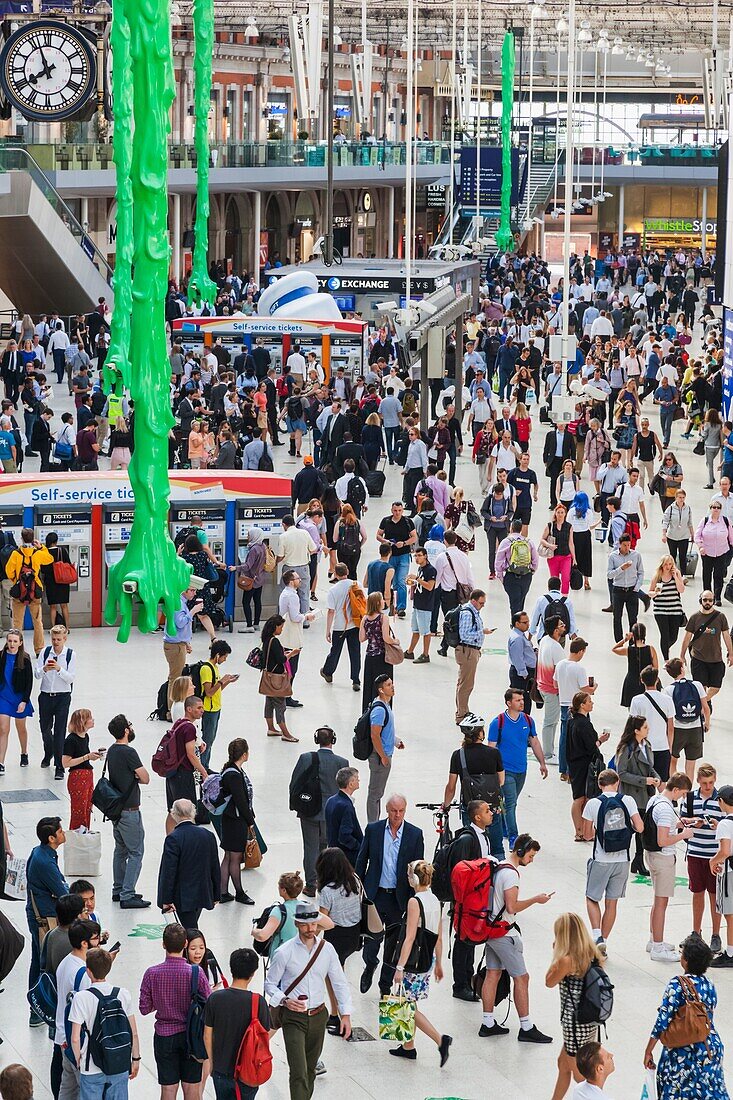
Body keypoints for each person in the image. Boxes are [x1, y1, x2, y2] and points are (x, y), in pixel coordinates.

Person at [264, 902, 351, 1099]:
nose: (311, 929)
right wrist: (284, 1000)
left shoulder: (327, 950)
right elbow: (269, 984)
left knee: (310, 1070)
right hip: (293, 1017)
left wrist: (345, 1014)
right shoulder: (284, 952)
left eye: (314, 924)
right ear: (297, 923)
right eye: (305, 924)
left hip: (319, 1016)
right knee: (298, 1072)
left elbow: (339, 982)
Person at [478, 834, 553, 1044]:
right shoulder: (511, 875)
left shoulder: (499, 866)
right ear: (520, 852)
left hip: (491, 929)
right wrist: (536, 900)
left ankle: (488, 1021)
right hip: (504, 933)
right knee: (522, 977)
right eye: (530, 856)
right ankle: (526, 1026)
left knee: (492, 974)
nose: (531, 860)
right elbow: (512, 907)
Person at [355, 793, 424, 995]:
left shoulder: (414, 834)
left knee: (393, 945)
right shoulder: (374, 830)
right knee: (371, 940)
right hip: (375, 896)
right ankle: (370, 965)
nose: (397, 815)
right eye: (394, 811)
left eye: (401, 811)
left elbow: (418, 868)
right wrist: (357, 889)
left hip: (399, 898)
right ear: (387, 810)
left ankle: (384, 985)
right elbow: (362, 859)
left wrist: (416, 898)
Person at [644, 934, 727, 1098]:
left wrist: (649, 1050)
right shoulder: (709, 984)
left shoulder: (677, 984)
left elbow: (662, 1021)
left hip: (684, 1052)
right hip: (709, 1047)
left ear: (686, 960)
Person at [389, 860, 451, 1066]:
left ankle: (440, 1040)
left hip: (412, 961)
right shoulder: (436, 900)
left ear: (415, 879)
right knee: (409, 1001)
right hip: (427, 959)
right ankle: (408, 1046)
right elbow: (439, 937)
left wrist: (399, 967)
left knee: (407, 1005)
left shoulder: (415, 902)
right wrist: (439, 963)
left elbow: (409, 937)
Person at [139, 923, 211, 1100]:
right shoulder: (197, 972)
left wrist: (162, 1000)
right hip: (191, 1037)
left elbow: (144, 1008)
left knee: (168, 1090)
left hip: (164, 1036)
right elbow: (209, 1005)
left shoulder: (151, 973)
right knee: (192, 1089)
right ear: (185, 944)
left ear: (163, 944)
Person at [582, 768, 644, 955]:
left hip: (601, 859)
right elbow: (640, 827)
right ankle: (604, 943)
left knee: (592, 898)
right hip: (622, 860)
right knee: (612, 903)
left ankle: (597, 935)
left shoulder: (593, 803)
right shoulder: (628, 800)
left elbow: (586, 835)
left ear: (600, 785)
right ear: (617, 783)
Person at [545, 913, 607, 1099]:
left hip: (574, 1025)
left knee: (583, 1077)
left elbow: (549, 981)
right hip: (589, 1020)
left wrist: (555, 956)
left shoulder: (566, 960)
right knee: (563, 1064)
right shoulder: (592, 953)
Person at [69, 946, 139, 1100]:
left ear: (88, 971)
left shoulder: (81, 998)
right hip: (119, 1063)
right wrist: (135, 1059)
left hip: (91, 1065)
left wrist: (78, 1059)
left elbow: (75, 1037)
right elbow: (133, 1032)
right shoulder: (123, 994)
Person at [203, 947, 271, 1100]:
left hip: (221, 1069)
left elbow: (207, 1035)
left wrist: (211, 1064)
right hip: (248, 1070)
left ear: (231, 968)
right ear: (253, 973)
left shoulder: (215, 999)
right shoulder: (258, 1002)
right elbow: (264, 1035)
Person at [289, 727, 348, 897]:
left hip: (309, 811)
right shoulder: (342, 763)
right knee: (326, 848)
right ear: (333, 740)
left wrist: (295, 805)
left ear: (317, 740)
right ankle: (324, 880)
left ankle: (310, 885)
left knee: (310, 847)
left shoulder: (306, 758)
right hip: (331, 814)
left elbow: (294, 784)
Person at [643, 773, 695, 962]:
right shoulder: (666, 809)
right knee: (661, 902)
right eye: (682, 794)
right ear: (675, 789)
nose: (682, 797)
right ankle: (658, 947)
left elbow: (662, 826)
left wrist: (681, 823)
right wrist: (684, 834)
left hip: (653, 856)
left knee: (657, 901)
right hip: (663, 858)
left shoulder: (656, 799)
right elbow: (663, 839)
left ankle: (653, 939)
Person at [487, 689, 548, 846]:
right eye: (518, 700)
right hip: (505, 771)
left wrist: (542, 763)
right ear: (508, 703)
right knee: (510, 803)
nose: (522, 702)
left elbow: (534, 741)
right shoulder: (498, 722)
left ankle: (503, 826)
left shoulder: (528, 720)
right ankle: (513, 836)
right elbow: (491, 748)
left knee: (510, 802)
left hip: (522, 769)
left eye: (522, 699)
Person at [25, 816, 68, 1024]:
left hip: (38, 914)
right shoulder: (45, 862)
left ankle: (36, 1008)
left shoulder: (40, 852)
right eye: (60, 831)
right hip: (44, 918)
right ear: (52, 837)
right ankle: (39, 1008)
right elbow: (62, 892)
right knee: (45, 964)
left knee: (38, 959)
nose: (63, 833)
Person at [315, 847, 363, 1029]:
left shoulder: (328, 890)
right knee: (338, 974)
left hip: (336, 936)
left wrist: (308, 938)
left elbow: (323, 919)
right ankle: (338, 1013)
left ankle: (336, 1014)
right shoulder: (355, 881)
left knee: (333, 977)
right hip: (353, 934)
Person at [106, 713, 151, 909]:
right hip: (130, 810)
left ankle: (118, 889)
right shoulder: (128, 752)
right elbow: (145, 777)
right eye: (130, 725)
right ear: (125, 730)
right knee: (136, 852)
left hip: (116, 809)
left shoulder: (112, 750)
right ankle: (127, 893)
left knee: (120, 850)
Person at [53, 917, 100, 1097]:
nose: (99, 942)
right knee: (86, 1090)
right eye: (95, 938)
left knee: (67, 1087)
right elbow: (87, 1011)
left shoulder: (66, 962)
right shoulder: (84, 972)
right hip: (77, 1041)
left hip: (62, 1035)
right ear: (84, 943)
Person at [157, 798, 220, 930]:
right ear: (193, 812)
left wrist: (166, 899)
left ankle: (193, 949)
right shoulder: (208, 835)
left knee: (190, 930)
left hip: (183, 895)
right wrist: (216, 893)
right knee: (191, 925)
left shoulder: (173, 838)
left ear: (174, 814)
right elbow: (214, 866)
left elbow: (169, 871)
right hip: (203, 890)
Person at [683, 763, 723, 953]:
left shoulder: (722, 799)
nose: (709, 786)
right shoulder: (690, 799)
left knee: (715, 895)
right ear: (698, 781)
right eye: (705, 783)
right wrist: (693, 824)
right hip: (695, 853)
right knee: (697, 892)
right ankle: (696, 932)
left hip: (715, 856)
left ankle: (716, 934)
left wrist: (718, 827)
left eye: (712, 782)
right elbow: (682, 823)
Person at [566, 692, 610, 843]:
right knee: (581, 798)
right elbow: (591, 747)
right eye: (589, 701)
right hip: (584, 764)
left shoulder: (571, 721)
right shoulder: (584, 724)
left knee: (579, 797)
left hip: (574, 764)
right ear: (582, 705)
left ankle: (580, 831)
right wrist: (600, 740)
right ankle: (581, 831)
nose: (592, 703)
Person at [34, 624, 76, 780]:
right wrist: (44, 668)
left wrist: (59, 669)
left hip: (62, 697)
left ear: (64, 639)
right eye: (53, 639)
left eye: (59, 639)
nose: (56, 642)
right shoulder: (45, 652)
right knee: (45, 728)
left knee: (59, 732)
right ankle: (48, 751)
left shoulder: (70, 654)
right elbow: (37, 674)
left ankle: (59, 766)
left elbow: (71, 678)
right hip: (45, 695)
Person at [219, 738, 257, 905]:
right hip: (236, 820)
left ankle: (223, 892)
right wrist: (250, 821)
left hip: (228, 819)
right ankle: (239, 892)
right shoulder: (235, 775)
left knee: (228, 856)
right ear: (244, 754)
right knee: (235, 857)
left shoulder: (229, 770)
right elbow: (241, 801)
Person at [6, 528, 53, 656]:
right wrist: (41, 547)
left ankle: (15, 649)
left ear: (21, 538)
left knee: (17, 623)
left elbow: (8, 571)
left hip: (19, 594)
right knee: (38, 622)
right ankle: (38, 650)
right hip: (35, 592)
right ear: (32, 539)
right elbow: (50, 559)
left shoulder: (16, 554)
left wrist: (17, 581)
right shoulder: (37, 554)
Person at [679, 592, 733, 705]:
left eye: (710, 600)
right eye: (705, 600)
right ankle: (705, 709)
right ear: (700, 601)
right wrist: (682, 656)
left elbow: (726, 636)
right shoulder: (694, 618)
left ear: (713, 601)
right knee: (700, 688)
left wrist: (731, 653)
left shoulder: (720, 617)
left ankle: (704, 702)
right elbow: (687, 638)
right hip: (698, 658)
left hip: (716, 659)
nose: (707, 602)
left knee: (716, 687)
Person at [663, 656, 710, 779]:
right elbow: (706, 707)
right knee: (691, 764)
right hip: (695, 729)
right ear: (682, 669)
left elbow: (669, 715)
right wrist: (707, 724)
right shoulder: (697, 685)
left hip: (678, 729)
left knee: (673, 760)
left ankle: (674, 787)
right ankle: (687, 792)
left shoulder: (669, 690)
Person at [555, 638, 595, 782]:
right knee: (578, 741)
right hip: (578, 706)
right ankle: (572, 772)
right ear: (579, 651)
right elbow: (585, 689)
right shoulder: (579, 668)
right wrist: (594, 687)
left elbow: (555, 683)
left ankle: (563, 771)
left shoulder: (560, 665)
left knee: (564, 739)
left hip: (564, 704)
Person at [320, 562, 362, 691]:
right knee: (355, 652)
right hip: (355, 624)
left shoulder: (333, 590)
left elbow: (331, 611)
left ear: (336, 575)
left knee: (335, 651)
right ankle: (355, 680)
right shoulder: (357, 585)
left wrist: (327, 630)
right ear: (347, 571)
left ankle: (328, 671)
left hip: (339, 626)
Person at [455, 589, 495, 725]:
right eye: (481, 603)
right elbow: (465, 635)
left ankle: (463, 711)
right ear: (473, 601)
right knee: (466, 684)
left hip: (471, 651)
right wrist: (481, 632)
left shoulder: (473, 612)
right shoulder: (467, 613)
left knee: (464, 683)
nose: (482, 605)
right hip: (468, 651)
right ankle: (461, 715)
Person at [162, 584, 201, 718]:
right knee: (175, 678)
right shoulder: (178, 603)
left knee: (175, 676)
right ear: (184, 590)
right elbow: (180, 623)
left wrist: (185, 642)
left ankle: (171, 708)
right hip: (175, 646)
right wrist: (193, 611)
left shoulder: (180, 602)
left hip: (179, 643)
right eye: (192, 590)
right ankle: (170, 710)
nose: (194, 593)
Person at [630, 665, 675, 782]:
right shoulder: (667, 700)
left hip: (643, 747)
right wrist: (669, 747)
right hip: (662, 746)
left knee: (645, 782)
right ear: (657, 680)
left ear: (641, 680)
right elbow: (671, 727)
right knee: (662, 783)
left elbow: (632, 725)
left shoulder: (636, 700)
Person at [198, 639, 236, 769]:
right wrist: (221, 682)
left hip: (216, 708)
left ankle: (205, 766)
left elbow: (216, 691)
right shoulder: (206, 669)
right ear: (218, 655)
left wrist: (227, 682)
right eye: (224, 656)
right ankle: (203, 767)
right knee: (207, 740)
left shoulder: (214, 667)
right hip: (209, 710)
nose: (225, 660)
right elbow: (208, 692)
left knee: (210, 740)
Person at [0, 628, 32, 778]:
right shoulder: (1, 656)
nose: (12, 644)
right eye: (9, 640)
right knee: (3, 729)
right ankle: (1, 762)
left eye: (15, 641)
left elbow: (29, 683)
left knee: (21, 729)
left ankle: (24, 752)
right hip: (3, 697)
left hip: (19, 698)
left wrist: (24, 701)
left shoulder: (25, 659)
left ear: (20, 643)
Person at [62, 709, 101, 831]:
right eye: (90, 718)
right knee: (79, 811)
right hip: (77, 777)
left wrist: (90, 756)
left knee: (87, 808)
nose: (92, 720)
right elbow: (65, 763)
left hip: (87, 776)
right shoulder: (71, 740)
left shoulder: (85, 736)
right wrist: (87, 757)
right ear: (82, 722)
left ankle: (85, 834)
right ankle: (77, 837)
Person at [260, 615, 297, 742]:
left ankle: (271, 728)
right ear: (275, 626)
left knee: (269, 703)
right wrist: (291, 654)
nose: (281, 629)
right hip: (277, 679)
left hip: (268, 677)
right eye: (281, 627)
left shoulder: (266, 640)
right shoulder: (274, 641)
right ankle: (286, 733)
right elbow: (281, 659)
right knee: (280, 705)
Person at [376, 501, 417, 618]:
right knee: (389, 581)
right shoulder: (386, 521)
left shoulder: (408, 522)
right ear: (391, 510)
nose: (397, 513)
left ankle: (401, 607)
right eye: (395, 510)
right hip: (389, 555)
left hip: (403, 555)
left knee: (400, 580)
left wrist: (404, 543)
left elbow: (414, 537)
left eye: (399, 510)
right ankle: (388, 604)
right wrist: (385, 541)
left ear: (402, 510)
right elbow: (378, 535)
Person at [495, 520, 538, 616]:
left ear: (511, 528)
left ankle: (515, 626)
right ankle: (519, 625)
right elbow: (535, 560)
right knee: (521, 602)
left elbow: (498, 561)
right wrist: (531, 571)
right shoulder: (528, 542)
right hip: (526, 575)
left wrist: (501, 576)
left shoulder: (506, 542)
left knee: (514, 604)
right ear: (521, 529)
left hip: (511, 575)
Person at [648, 555, 686, 660]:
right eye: (666, 564)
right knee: (664, 635)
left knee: (674, 637)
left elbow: (681, 590)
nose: (668, 566)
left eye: (670, 564)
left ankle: (665, 647)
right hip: (660, 610)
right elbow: (650, 592)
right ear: (662, 565)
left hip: (675, 609)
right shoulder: (657, 576)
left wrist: (675, 577)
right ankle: (666, 658)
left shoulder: (677, 574)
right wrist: (655, 593)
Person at [608, 533, 644, 643]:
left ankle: (633, 641)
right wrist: (621, 568)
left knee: (633, 618)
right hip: (618, 590)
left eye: (629, 545)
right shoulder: (613, 556)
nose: (627, 547)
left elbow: (641, 572)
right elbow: (609, 575)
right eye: (625, 545)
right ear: (620, 544)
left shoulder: (636, 555)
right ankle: (619, 641)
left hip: (632, 590)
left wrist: (637, 587)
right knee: (617, 617)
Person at [695, 501, 733, 605]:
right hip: (707, 552)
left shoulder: (725, 521)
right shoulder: (705, 520)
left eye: (718, 507)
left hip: (722, 552)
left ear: (720, 509)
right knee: (707, 574)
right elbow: (697, 536)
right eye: (713, 507)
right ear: (710, 508)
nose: (716, 509)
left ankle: (717, 597)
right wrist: (700, 546)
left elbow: (731, 536)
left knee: (718, 575)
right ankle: (706, 596)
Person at [612, 622, 658, 707]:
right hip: (648, 681)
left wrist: (625, 639)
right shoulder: (651, 649)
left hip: (631, 681)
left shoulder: (628, 650)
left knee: (632, 710)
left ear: (633, 635)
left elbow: (614, 649)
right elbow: (656, 668)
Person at [359, 591, 391, 710]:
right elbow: (386, 638)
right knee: (384, 688)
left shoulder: (365, 619)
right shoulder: (383, 618)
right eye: (382, 599)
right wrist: (395, 641)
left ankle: (368, 713)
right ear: (378, 602)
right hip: (382, 657)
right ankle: (384, 713)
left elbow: (362, 638)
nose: (383, 601)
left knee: (369, 687)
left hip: (370, 656)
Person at [324, 767, 363, 867]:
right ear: (350, 784)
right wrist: (359, 847)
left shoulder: (331, 801)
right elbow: (344, 836)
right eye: (356, 778)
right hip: (345, 859)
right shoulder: (346, 806)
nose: (359, 780)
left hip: (333, 855)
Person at [404, 546, 437, 662]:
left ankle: (426, 654)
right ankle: (410, 651)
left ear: (425, 556)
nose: (417, 558)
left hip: (425, 605)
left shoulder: (431, 570)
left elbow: (429, 586)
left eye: (419, 556)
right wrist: (413, 584)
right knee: (416, 630)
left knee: (425, 632)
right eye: (415, 556)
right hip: (417, 604)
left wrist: (417, 579)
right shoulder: (420, 569)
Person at [233, 528, 268, 632]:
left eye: (249, 535)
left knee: (246, 602)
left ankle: (249, 626)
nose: (247, 537)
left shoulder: (253, 549)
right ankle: (256, 624)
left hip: (251, 580)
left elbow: (248, 566)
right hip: (260, 578)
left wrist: (236, 568)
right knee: (257, 601)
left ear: (254, 536)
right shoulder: (263, 546)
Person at [540, 502, 576, 596]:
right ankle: (554, 597)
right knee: (554, 579)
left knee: (566, 578)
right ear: (555, 513)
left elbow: (571, 543)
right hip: (553, 557)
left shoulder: (569, 527)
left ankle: (564, 598)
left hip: (566, 556)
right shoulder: (550, 526)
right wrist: (549, 545)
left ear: (565, 514)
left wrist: (574, 558)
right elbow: (542, 539)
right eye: (558, 512)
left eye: (562, 512)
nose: (560, 514)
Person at [661, 488, 695, 575]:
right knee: (672, 556)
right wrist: (664, 535)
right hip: (672, 536)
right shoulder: (670, 509)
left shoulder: (688, 509)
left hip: (684, 536)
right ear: (676, 497)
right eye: (679, 497)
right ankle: (672, 574)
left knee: (682, 556)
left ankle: (682, 575)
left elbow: (690, 522)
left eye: (683, 497)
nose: (681, 499)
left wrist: (692, 534)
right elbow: (665, 522)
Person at [543, 422, 575, 507]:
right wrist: (545, 460)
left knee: (564, 481)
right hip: (554, 460)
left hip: (564, 461)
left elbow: (573, 448)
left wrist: (573, 459)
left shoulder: (569, 435)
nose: (561, 425)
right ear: (556, 424)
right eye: (559, 423)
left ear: (565, 425)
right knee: (553, 481)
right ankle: (553, 502)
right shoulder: (550, 434)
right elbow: (546, 447)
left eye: (563, 424)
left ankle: (563, 501)